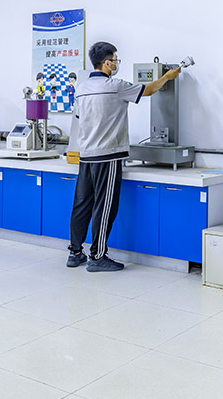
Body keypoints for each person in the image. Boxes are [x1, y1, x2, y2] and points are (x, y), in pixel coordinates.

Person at [67, 42, 180, 272]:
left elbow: (79, 117)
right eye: (116, 60)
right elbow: (148, 89)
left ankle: (75, 253)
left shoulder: (81, 88)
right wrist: (167, 77)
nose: (117, 64)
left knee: (82, 204)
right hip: (108, 155)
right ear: (107, 63)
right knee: (105, 207)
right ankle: (97, 257)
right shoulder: (116, 86)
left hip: (86, 155)